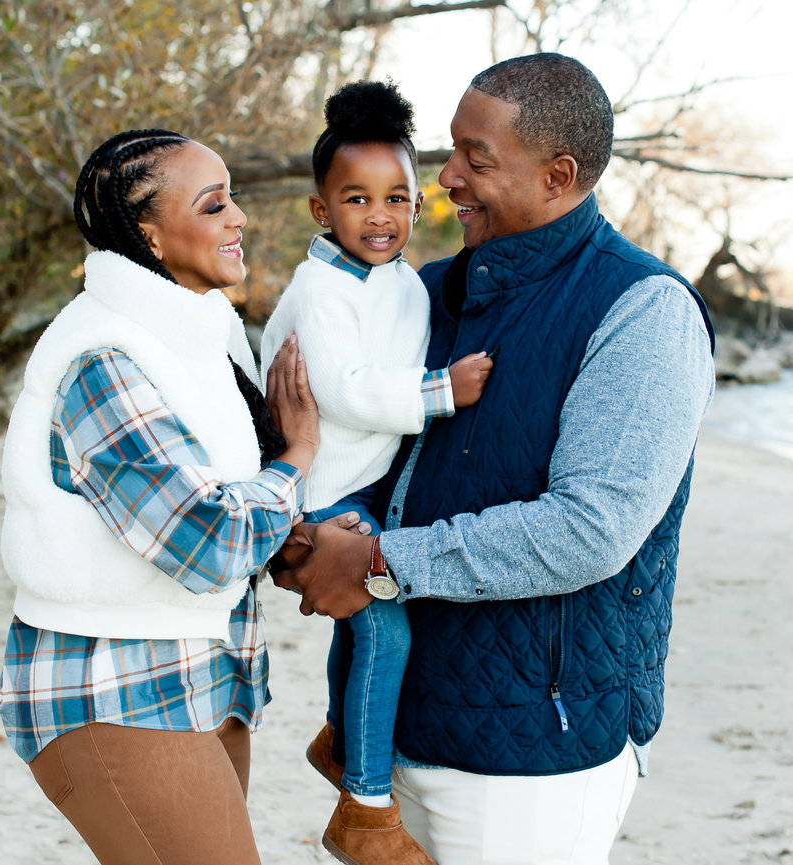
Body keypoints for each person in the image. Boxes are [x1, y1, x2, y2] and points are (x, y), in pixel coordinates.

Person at [270, 53, 717, 865]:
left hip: (530, 755)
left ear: (558, 175)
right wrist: (297, 519)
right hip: (392, 729)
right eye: (449, 151)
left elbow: (589, 529)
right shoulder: (417, 289)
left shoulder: (643, 311)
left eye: (476, 159)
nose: (446, 179)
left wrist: (374, 560)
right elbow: (346, 428)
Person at [0, 129, 328, 865]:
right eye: (214, 205)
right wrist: (298, 455)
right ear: (146, 231)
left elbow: (232, 494)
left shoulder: (203, 333)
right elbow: (208, 541)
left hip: (204, 665)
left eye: (233, 197)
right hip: (112, 684)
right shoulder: (104, 357)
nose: (239, 217)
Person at [261, 80, 493, 865]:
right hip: (323, 488)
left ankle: (339, 740)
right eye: (356, 200)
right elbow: (340, 389)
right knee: (383, 631)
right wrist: (440, 391)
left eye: (397, 196)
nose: (380, 215)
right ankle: (364, 806)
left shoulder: (399, 280)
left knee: (362, 631)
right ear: (321, 212)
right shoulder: (320, 288)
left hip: (363, 480)